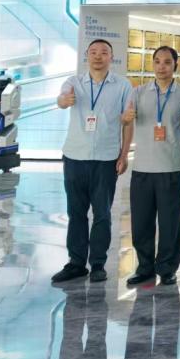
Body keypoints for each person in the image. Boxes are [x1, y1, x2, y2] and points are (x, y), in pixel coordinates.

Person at [51, 39, 133, 284]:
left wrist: (124, 155)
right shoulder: (74, 83)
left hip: (106, 159)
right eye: (94, 52)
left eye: (104, 52)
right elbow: (61, 99)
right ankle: (76, 263)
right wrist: (63, 101)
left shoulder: (122, 85)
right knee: (76, 213)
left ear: (111, 57)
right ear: (87, 56)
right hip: (75, 157)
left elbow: (127, 122)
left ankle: (98, 264)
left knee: (102, 214)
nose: (98, 56)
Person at [124, 45, 180, 287]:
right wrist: (124, 120)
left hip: (170, 168)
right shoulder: (138, 92)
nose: (161, 67)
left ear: (176, 65)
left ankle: (167, 269)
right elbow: (127, 121)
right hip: (142, 168)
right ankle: (144, 268)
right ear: (152, 64)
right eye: (157, 62)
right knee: (141, 222)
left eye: (167, 62)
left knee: (169, 222)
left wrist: (179, 142)